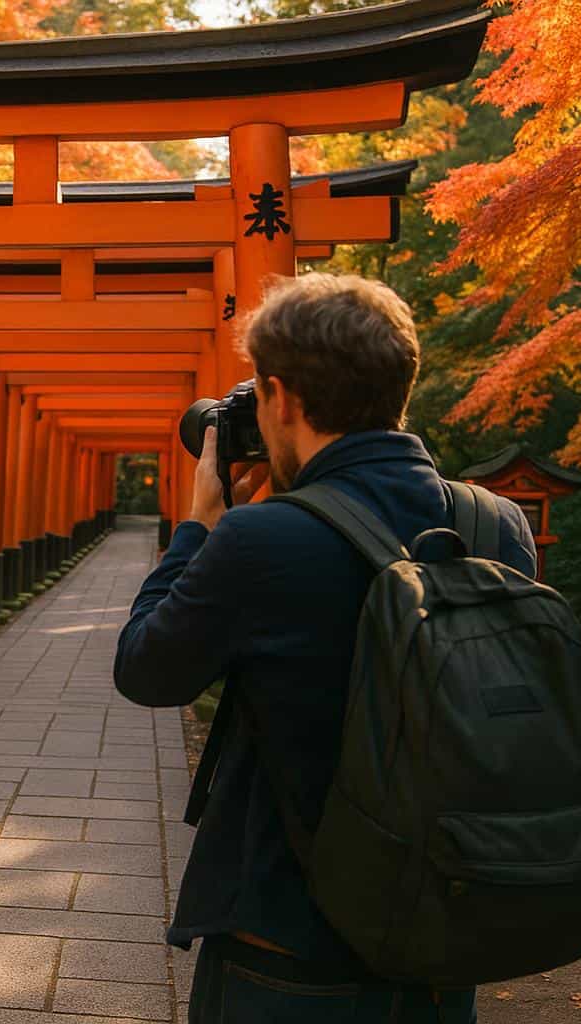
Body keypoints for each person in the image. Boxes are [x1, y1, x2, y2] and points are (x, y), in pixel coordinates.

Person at [114, 274, 537, 1023]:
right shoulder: (497, 524)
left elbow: (146, 670)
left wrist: (198, 527)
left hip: (289, 937)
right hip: (448, 929)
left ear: (282, 397)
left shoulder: (262, 537)